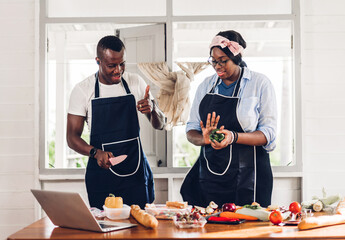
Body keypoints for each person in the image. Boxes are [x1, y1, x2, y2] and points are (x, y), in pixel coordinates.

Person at [180, 30, 277, 208]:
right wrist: (204, 139)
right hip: (211, 177)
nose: (217, 66)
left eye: (223, 60)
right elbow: (191, 129)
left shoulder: (259, 84)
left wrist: (233, 137)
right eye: (213, 61)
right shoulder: (205, 86)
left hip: (250, 178)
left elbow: (268, 134)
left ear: (237, 57)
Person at [67, 35, 165, 209]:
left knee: (141, 231)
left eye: (122, 64)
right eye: (111, 65)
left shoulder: (135, 83)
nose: (118, 70)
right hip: (101, 176)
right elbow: (72, 138)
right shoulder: (83, 90)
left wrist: (153, 109)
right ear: (98, 61)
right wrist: (96, 153)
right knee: (106, 232)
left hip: (136, 174)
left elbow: (160, 124)